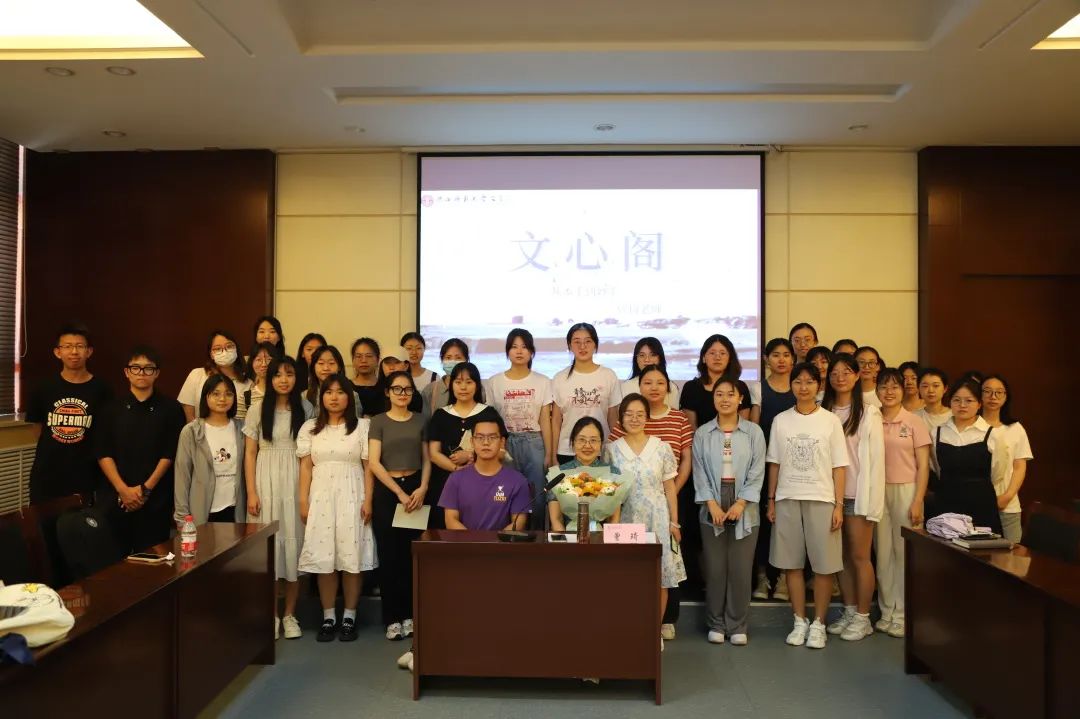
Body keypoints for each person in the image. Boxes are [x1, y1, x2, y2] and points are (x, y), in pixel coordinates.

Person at [766, 362, 848, 650]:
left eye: (809, 382)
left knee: (824, 567)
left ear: (818, 385)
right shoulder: (781, 420)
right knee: (792, 564)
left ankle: (819, 623)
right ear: (791, 385)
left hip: (822, 498)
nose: (803, 387)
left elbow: (839, 466)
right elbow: (774, 462)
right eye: (798, 382)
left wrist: (839, 505)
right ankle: (799, 620)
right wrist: (771, 499)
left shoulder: (830, 421)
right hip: (788, 497)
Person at [609, 365, 693, 639]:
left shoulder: (662, 447)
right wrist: (612, 525)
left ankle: (653, 631)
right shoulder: (611, 450)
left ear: (647, 417)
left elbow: (669, 488)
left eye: (640, 414)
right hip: (625, 520)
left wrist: (674, 522)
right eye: (629, 414)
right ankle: (630, 628)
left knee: (660, 577)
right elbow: (609, 492)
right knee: (627, 576)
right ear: (621, 418)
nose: (634, 419)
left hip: (657, 519)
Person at [297, 374, 376, 643]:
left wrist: (368, 500)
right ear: (321, 397)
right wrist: (303, 500)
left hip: (353, 495)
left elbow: (369, 467)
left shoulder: (363, 427)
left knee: (351, 558)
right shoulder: (309, 428)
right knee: (325, 558)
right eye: (328, 392)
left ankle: (349, 617)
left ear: (349, 397)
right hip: (321, 497)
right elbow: (305, 467)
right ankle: (328, 617)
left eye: (340, 392)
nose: (334, 397)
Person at [243, 356, 314, 641]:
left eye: (289, 374)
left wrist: (306, 494)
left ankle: (289, 615)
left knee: (294, 547)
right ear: (269, 378)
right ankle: (270, 615)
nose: (284, 380)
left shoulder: (306, 408)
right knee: (269, 550)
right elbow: (250, 453)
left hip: (296, 480)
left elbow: (309, 454)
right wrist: (251, 491)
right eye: (278, 374)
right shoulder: (257, 409)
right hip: (266, 480)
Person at [693, 379, 766, 646]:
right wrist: (711, 504)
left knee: (740, 569)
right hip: (711, 505)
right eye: (719, 394)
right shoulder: (703, 433)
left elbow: (757, 471)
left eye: (730, 395)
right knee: (715, 569)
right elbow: (699, 471)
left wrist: (741, 503)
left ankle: (737, 625)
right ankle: (716, 623)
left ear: (740, 399)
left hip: (744, 507)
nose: (725, 399)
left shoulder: (753, 432)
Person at [95, 345, 185, 552]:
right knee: (115, 559)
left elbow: (170, 453)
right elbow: (103, 452)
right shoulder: (110, 409)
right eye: (136, 368)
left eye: (148, 368)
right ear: (127, 372)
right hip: (116, 497)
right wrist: (123, 490)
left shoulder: (171, 409)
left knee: (154, 560)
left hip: (155, 498)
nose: (141, 373)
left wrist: (145, 490)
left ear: (157, 373)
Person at [821, 354, 885, 642]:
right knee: (841, 558)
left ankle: (863, 617)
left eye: (846, 372)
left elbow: (877, 461)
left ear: (857, 376)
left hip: (857, 495)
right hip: (828, 496)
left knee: (860, 557)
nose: (840, 377)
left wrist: (872, 502)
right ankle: (848, 610)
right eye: (834, 373)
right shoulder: (823, 410)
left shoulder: (869, 413)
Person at [369, 370, 431, 641]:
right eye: (397, 389)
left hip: (415, 489)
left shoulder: (421, 420)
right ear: (387, 392)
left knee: (410, 556)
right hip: (388, 490)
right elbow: (374, 462)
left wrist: (423, 487)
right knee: (389, 556)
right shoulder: (378, 421)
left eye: (407, 389)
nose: (403, 394)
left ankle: (410, 615)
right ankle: (391, 618)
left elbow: (427, 459)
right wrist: (398, 492)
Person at [27, 323, 114, 503]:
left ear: (89, 352)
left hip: (86, 477)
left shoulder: (103, 390)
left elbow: (106, 433)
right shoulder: (43, 388)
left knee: (84, 521)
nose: (74, 352)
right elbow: (38, 428)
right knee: (43, 521)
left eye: (79, 346)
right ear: (57, 352)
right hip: (47, 475)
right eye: (67, 346)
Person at [873, 367, 930, 638]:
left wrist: (918, 500)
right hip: (876, 491)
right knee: (882, 552)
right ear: (876, 390)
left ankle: (903, 614)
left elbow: (923, 465)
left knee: (904, 552)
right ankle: (886, 612)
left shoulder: (914, 421)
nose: (889, 392)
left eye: (894, 386)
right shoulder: (871, 419)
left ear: (904, 389)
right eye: (883, 387)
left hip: (907, 490)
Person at [484, 328, 554, 530]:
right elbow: (492, 420)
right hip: (506, 443)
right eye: (514, 347)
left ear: (531, 351)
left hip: (534, 442)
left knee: (537, 496)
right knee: (506, 493)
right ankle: (507, 537)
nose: (519, 351)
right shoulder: (494, 382)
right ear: (508, 351)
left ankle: (537, 538)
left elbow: (545, 420)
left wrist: (549, 453)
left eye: (524, 347)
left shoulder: (542, 381)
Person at [748, 338, 796, 601]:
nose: (781, 360)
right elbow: (755, 431)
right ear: (766, 359)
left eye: (786, 354)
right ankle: (763, 576)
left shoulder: (801, 387)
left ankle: (786, 578)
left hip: (796, 466)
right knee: (765, 522)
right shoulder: (758, 389)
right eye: (775, 354)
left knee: (789, 523)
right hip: (766, 464)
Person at [930, 377, 1008, 535]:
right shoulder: (936, 432)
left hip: (981, 501)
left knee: (982, 546)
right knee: (945, 546)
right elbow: (936, 467)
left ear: (979, 404)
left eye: (969, 400)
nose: (962, 405)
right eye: (956, 400)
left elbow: (998, 472)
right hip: (946, 500)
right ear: (950, 402)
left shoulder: (992, 434)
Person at [427, 362, 501, 529]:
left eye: (469, 382)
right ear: (451, 385)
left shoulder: (488, 413)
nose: (463, 387)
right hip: (445, 484)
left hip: (482, 484)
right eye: (458, 382)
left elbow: (502, 451)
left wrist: (470, 455)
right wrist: (456, 469)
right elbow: (433, 453)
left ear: (477, 385)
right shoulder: (440, 415)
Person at [173, 374, 246, 524]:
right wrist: (181, 516)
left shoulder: (242, 429)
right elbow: (182, 477)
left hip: (236, 510)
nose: (222, 399)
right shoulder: (191, 431)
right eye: (216, 394)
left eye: (228, 394)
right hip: (202, 512)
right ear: (206, 397)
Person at [440, 415, 532, 530]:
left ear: (502, 442)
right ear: (472, 442)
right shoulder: (455, 479)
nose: (486, 442)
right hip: (465, 541)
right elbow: (451, 520)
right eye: (480, 437)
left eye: (492, 437)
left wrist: (495, 541)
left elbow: (518, 523)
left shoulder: (518, 481)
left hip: (502, 541)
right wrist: (472, 541)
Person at [551, 323, 621, 465]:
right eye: (577, 342)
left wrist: (616, 451)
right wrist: (553, 455)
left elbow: (613, 418)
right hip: (568, 451)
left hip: (600, 450)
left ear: (595, 344)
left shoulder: (608, 376)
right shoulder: (560, 378)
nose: (582, 346)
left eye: (588, 341)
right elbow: (556, 421)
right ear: (570, 345)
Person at [980, 374, 1033, 543]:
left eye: (999, 392)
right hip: (977, 503)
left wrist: (1007, 496)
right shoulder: (972, 427)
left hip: (1008, 505)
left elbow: (1019, 466)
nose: (993, 396)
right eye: (987, 391)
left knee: (1012, 553)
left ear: (1006, 396)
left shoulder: (1015, 428)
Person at [547, 417, 622, 531]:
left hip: (602, 536)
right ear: (572, 443)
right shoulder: (559, 474)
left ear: (601, 444)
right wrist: (565, 540)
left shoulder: (612, 474)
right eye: (582, 440)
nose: (587, 445)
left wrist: (604, 540)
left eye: (593, 440)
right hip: (568, 535)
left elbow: (614, 519)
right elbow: (556, 519)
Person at [680, 334, 755, 430]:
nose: (717, 357)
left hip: (735, 438)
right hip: (700, 439)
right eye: (712, 353)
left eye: (722, 353)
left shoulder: (740, 387)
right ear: (703, 358)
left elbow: (743, 427)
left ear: (730, 358)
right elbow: (691, 428)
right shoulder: (691, 388)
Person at [178, 329, 252, 422]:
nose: (224, 351)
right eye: (217, 348)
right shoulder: (197, 374)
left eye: (229, 346)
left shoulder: (248, 383)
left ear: (236, 349)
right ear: (211, 354)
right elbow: (188, 413)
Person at [621, 337, 680, 409]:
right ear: (636, 359)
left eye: (652, 355)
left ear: (660, 358)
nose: (647, 360)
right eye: (642, 355)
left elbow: (674, 414)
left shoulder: (671, 387)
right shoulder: (625, 387)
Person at [306, 344, 363, 417]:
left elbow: (355, 421)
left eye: (331, 363)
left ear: (339, 367)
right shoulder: (305, 396)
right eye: (321, 363)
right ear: (313, 367)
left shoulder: (352, 395)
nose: (326, 368)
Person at [420, 337, 469, 419]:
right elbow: (426, 421)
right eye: (448, 357)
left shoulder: (476, 388)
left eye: (458, 358)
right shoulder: (430, 390)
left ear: (466, 360)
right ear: (442, 360)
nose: (453, 361)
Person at [351, 337, 383, 416]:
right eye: (358, 356)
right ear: (353, 360)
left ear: (378, 359)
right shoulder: (346, 387)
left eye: (369, 356)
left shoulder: (385, 387)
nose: (363, 360)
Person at [914, 367, 951, 432]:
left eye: (936, 386)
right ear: (918, 388)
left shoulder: (954, 416)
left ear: (945, 389)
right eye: (925, 386)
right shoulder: (914, 417)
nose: (930, 390)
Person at [245, 341, 280, 409]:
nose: (264, 364)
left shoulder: (284, 391)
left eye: (269, 359)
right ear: (252, 363)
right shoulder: (246, 397)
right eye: (258, 359)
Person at [295, 332, 327, 398]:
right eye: (309, 349)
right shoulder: (295, 374)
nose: (314, 353)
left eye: (318, 349)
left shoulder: (330, 371)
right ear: (302, 353)